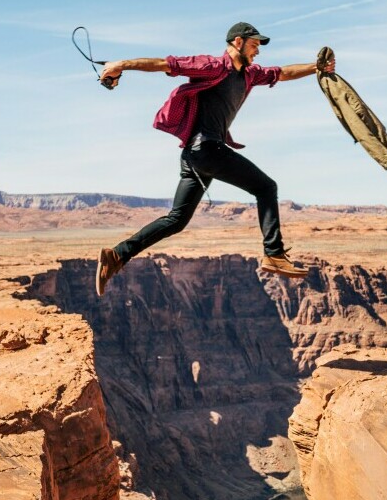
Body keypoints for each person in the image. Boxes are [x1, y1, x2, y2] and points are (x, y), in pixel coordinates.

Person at [95, 22, 335, 296]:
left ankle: (116, 256)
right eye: (254, 45)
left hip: (195, 156)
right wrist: (120, 65)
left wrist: (316, 68)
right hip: (205, 150)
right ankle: (274, 253)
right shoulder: (212, 66)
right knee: (266, 187)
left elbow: (283, 72)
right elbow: (164, 64)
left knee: (176, 220)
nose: (257, 51)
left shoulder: (249, 74)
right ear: (237, 42)